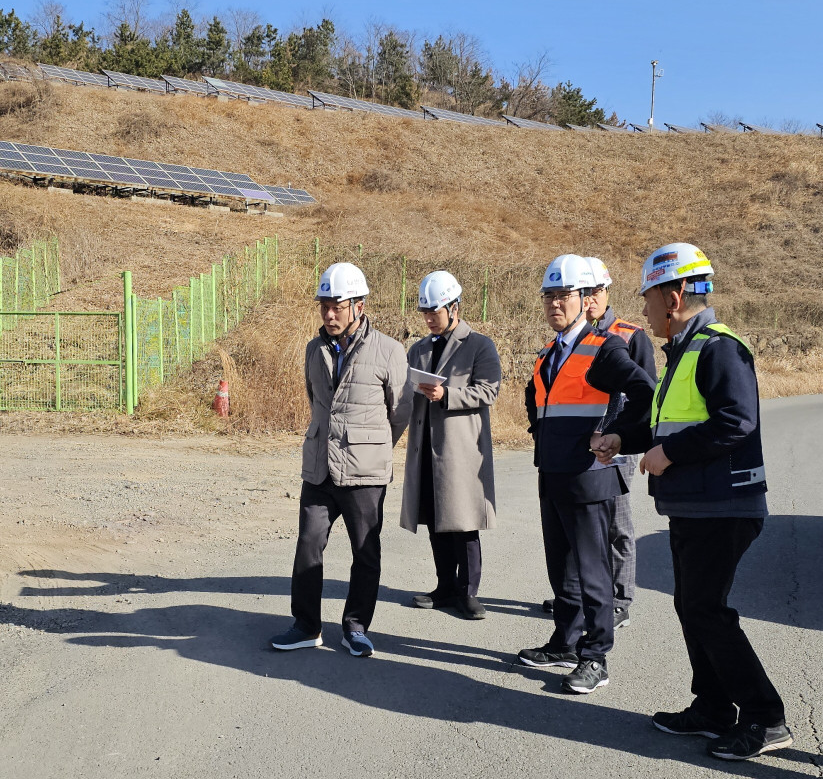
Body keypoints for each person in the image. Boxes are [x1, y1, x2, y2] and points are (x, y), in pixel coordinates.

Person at [591, 243, 790, 759]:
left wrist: (669, 454)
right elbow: (667, 425)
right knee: (693, 607)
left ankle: (766, 719)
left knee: (705, 610)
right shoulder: (684, 350)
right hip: (694, 506)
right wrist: (623, 438)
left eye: (648, 297)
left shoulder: (719, 347)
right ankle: (714, 708)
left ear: (674, 296)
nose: (645, 308)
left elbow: (735, 421)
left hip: (724, 506)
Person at [518, 254, 654, 694]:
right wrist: (541, 435)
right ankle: (565, 642)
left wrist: (616, 434)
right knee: (561, 569)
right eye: (549, 296)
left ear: (583, 298)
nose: (555, 303)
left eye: (564, 295)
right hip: (553, 472)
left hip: (590, 476)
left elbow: (645, 392)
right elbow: (535, 401)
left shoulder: (604, 347)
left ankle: (595, 657)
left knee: (593, 571)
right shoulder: (548, 353)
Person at [271, 262, 410, 658]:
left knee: (365, 551)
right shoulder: (314, 349)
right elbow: (316, 400)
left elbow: (400, 411)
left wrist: (373, 448)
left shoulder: (388, 350)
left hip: (365, 473)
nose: (329, 314)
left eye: (337, 306)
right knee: (308, 544)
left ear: (358, 306)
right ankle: (306, 625)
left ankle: (355, 628)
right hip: (319, 468)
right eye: (324, 306)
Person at [545, 257, 656, 629]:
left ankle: (619, 600)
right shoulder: (564, 342)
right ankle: (577, 601)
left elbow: (645, 394)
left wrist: (620, 434)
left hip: (613, 447)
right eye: (585, 291)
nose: (590, 298)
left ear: (605, 292)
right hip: (577, 452)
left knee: (617, 525)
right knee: (576, 537)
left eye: (595, 291)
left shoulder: (627, 336)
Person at [400, 271, 501, 621]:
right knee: (435, 518)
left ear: (454, 308)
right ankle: (445, 586)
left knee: (463, 522)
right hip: (425, 448)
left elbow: (488, 390)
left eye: (435, 311)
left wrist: (447, 395)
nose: (429, 318)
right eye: (425, 312)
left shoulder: (479, 345)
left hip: (460, 450)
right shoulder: (418, 349)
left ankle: (468, 592)